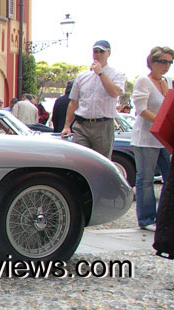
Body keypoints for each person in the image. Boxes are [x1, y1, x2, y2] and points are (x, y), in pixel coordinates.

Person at [131, 46, 174, 231]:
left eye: (170, 62)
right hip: (146, 138)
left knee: (169, 177)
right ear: (153, 62)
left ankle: (164, 216)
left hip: (164, 138)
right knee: (146, 179)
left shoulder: (169, 81)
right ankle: (147, 218)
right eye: (163, 62)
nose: (167, 66)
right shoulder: (144, 81)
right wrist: (162, 123)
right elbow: (141, 109)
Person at [61, 40, 127, 158]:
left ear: (108, 53)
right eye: (95, 51)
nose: (98, 54)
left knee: (101, 162)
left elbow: (114, 93)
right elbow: (74, 102)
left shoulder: (117, 74)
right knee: (78, 160)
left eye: (101, 51)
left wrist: (101, 73)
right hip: (82, 124)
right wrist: (67, 126)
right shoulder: (82, 76)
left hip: (103, 125)